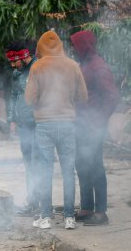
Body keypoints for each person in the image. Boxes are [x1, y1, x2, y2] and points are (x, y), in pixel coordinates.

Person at [25, 30, 88, 230]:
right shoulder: (73, 65)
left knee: (45, 171)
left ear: (41, 47)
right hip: (68, 124)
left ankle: (46, 217)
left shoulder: (37, 66)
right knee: (69, 171)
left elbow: (29, 99)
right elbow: (83, 97)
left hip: (44, 125)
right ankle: (69, 217)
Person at [70, 30, 119, 226]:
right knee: (81, 165)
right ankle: (87, 207)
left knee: (95, 166)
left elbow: (112, 96)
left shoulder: (99, 66)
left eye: (75, 44)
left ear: (84, 45)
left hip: (93, 126)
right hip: (80, 124)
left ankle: (101, 212)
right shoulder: (85, 64)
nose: (73, 48)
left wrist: (99, 120)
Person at [6, 41, 39, 216]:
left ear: (23, 56)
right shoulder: (16, 73)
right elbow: (13, 95)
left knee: (37, 162)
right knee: (28, 163)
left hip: (38, 124)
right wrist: (12, 119)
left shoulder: (37, 68)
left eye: (14, 61)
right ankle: (32, 201)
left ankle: (41, 203)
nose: (12, 65)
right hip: (23, 125)